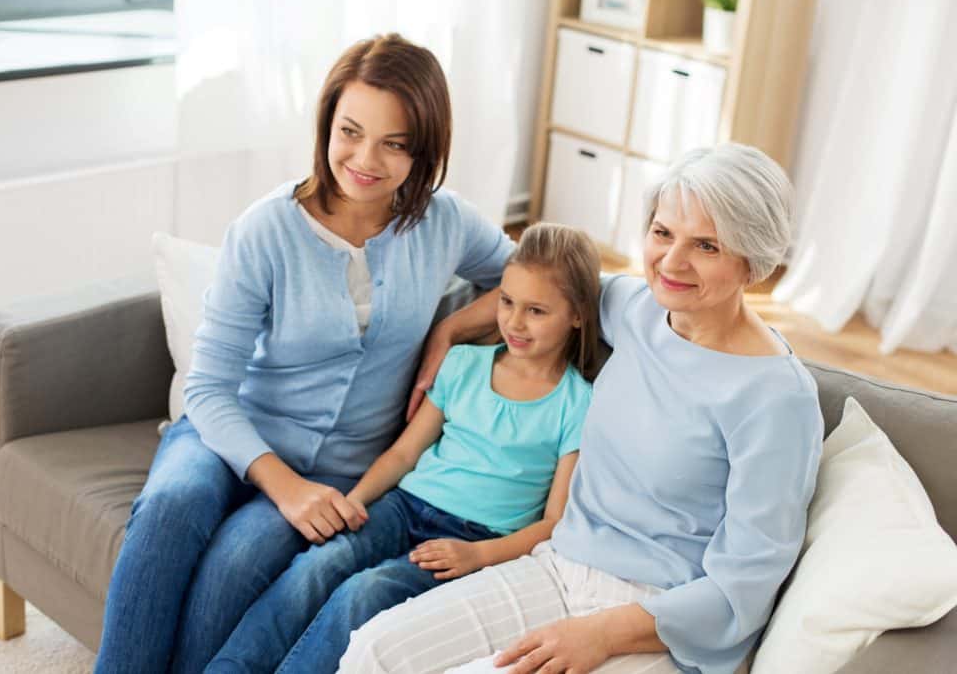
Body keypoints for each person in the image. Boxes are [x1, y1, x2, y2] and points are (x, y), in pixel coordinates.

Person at [94, 34, 517, 674]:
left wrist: (451, 328)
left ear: (423, 149)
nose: (364, 159)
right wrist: (286, 487)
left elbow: (530, 278)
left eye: (394, 143)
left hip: (343, 470)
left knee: (238, 560)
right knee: (172, 506)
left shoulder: (445, 222)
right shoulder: (266, 230)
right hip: (224, 433)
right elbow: (207, 390)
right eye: (350, 131)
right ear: (325, 125)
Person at [339, 143, 825, 674]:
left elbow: (745, 586)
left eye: (706, 245)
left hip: (657, 615)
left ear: (752, 259)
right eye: (663, 233)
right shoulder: (636, 309)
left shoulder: (775, 398)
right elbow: (543, 289)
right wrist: (450, 330)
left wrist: (605, 632)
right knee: (375, 650)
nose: (673, 261)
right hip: (559, 564)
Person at [204, 223, 601, 673]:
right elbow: (403, 454)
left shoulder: (579, 404)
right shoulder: (464, 363)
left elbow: (554, 523)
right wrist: (356, 500)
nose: (513, 321)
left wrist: (478, 556)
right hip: (403, 506)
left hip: (473, 539)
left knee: (365, 593)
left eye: (536, 311)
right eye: (507, 302)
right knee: (316, 568)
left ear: (577, 315)